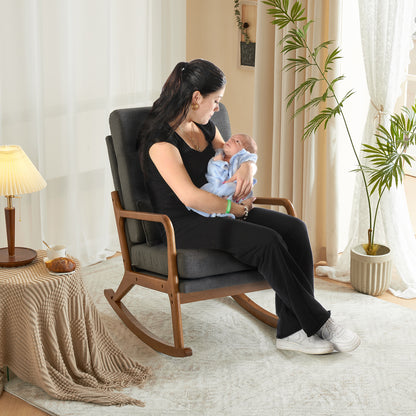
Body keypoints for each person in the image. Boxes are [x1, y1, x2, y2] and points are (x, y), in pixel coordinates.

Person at [139, 58, 360, 355]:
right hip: (183, 223)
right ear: (195, 98)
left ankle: (291, 330)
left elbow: (237, 156)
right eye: (215, 100)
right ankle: (320, 322)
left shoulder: (204, 127)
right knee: (266, 240)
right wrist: (238, 209)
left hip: (221, 209)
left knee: (295, 228)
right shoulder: (161, 143)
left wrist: (248, 169)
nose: (218, 108)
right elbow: (190, 198)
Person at [188, 133, 258, 218]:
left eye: (237, 141)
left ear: (244, 151)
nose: (230, 140)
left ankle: (227, 212)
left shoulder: (241, 157)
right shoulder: (219, 154)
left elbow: (252, 158)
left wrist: (248, 166)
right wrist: (218, 163)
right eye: (230, 138)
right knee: (205, 196)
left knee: (240, 191)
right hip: (215, 187)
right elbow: (213, 174)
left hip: (235, 191)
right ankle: (220, 213)